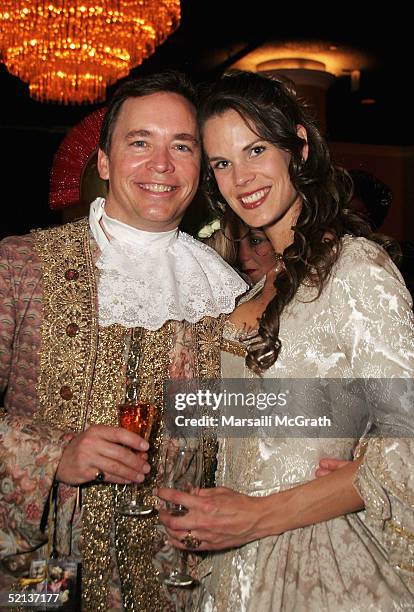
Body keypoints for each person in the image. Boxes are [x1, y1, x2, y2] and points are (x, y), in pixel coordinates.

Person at [157, 71, 414, 611]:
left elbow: (409, 442)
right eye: (222, 163)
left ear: (298, 147)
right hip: (231, 567)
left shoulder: (357, 268)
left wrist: (256, 515)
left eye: (254, 150)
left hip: (318, 565)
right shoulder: (251, 287)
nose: (239, 178)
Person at [0, 71, 247, 611]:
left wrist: (345, 441)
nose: (162, 165)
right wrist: (52, 452)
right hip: (40, 568)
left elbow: (246, 417)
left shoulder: (228, 291)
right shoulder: (20, 265)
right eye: (140, 142)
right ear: (105, 163)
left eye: (181, 146)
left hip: (178, 577)